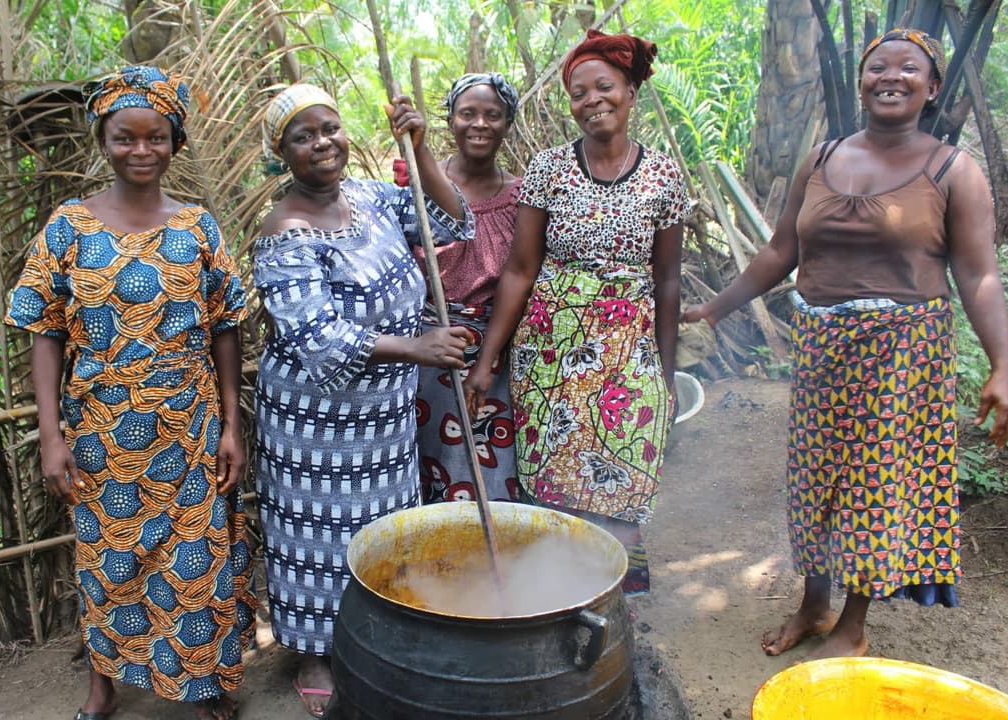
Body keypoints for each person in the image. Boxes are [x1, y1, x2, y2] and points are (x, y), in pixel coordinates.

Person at [683, 28, 1008, 659]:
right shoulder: (823, 157)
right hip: (822, 343)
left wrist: (1002, 365)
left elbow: (978, 275)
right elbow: (783, 249)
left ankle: (852, 625)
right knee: (816, 478)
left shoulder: (952, 170)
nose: (891, 76)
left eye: (909, 68)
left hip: (902, 352)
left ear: (933, 85)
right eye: (878, 66)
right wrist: (713, 305)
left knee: (872, 484)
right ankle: (814, 605)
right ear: (862, 81)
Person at [5, 66, 255, 720]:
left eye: (156, 138)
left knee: (196, 561)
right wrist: (52, 438)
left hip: (191, 428)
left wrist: (231, 425)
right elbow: (44, 332)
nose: (140, 151)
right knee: (108, 564)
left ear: (175, 142)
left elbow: (226, 327)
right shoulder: (69, 227)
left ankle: (203, 684)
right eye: (124, 138)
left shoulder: (198, 227)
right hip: (101, 433)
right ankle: (104, 684)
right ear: (102, 139)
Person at [253, 83, 473, 718]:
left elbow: (452, 219)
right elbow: (320, 341)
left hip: (384, 413)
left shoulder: (371, 198)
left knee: (381, 528)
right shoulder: (284, 232)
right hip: (315, 424)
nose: (323, 143)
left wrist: (424, 147)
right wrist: (419, 347)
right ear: (281, 154)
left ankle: (379, 636)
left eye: (330, 128)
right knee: (317, 536)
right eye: (303, 136)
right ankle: (317, 652)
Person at [463, 29, 690, 597]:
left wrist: (662, 373)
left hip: (628, 345)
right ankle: (562, 593)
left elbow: (667, 281)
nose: (592, 101)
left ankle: (620, 600)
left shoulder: (663, 176)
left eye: (604, 87)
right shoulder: (548, 170)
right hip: (551, 347)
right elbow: (519, 269)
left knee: (625, 472)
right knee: (555, 475)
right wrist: (488, 358)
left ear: (631, 90)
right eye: (579, 92)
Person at [412, 72, 523, 504]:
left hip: (492, 360)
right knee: (429, 463)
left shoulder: (522, 196)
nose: (480, 124)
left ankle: (489, 567)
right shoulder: (419, 185)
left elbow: (522, 277)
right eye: (468, 113)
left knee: (489, 473)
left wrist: (487, 361)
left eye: (493, 115)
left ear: (508, 123)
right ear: (450, 121)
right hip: (426, 355)